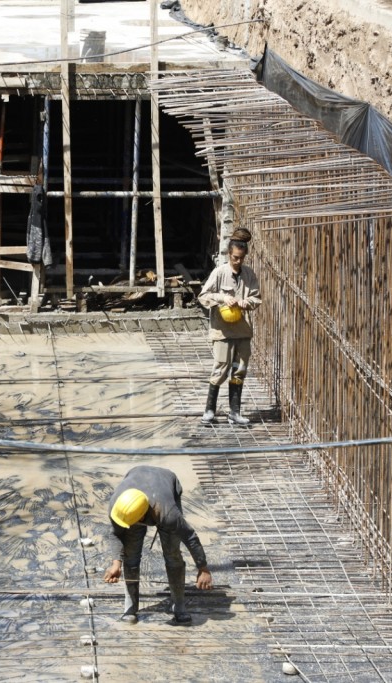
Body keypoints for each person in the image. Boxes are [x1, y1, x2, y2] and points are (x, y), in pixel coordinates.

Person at [103, 465, 213, 625]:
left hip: (164, 489)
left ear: (143, 518)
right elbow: (115, 533)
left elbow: (189, 536)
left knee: (172, 554)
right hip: (137, 478)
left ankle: (179, 607)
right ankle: (131, 608)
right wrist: (116, 564)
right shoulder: (118, 506)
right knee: (131, 556)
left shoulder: (168, 513)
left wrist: (203, 569)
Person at [198, 229, 261, 426]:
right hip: (222, 330)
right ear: (228, 254)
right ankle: (209, 410)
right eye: (235, 258)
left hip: (242, 330)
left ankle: (235, 412)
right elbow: (203, 296)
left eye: (241, 258)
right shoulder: (219, 273)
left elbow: (257, 298)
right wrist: (222, 298)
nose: (238, 262)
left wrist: (246, 302)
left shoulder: (249, 274)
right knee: (221, 368)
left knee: (240, 369)